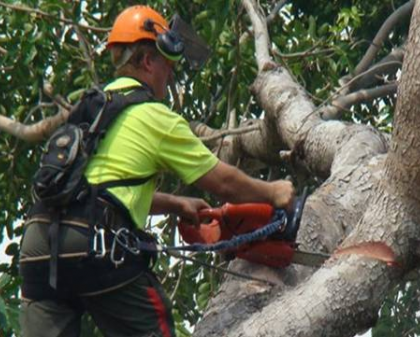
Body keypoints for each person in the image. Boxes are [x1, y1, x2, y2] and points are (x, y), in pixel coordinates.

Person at [18, 5, 294, 337]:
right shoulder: (152, 115)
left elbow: (96, 190)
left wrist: (176, 205)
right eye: (167, 64)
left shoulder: (90, 110)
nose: (171, 74)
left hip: (38, 246)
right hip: (95, 246)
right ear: (148, 61)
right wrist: (274, 192)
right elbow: (222, 181)